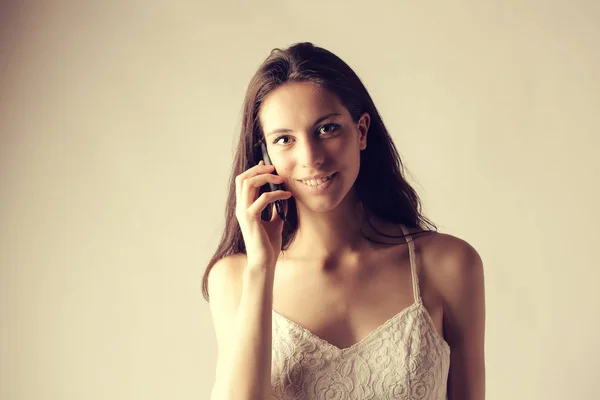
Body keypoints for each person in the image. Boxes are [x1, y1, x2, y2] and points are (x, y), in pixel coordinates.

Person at [202, 42, 485, 400]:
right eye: (284, 139)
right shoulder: (235, 279)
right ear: (265, 154)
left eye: (327, 129)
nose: (311, 158)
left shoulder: (449, 265)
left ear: (361, 131)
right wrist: (261, 266)